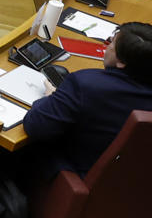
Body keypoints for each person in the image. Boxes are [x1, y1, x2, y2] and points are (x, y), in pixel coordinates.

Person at [16, 22, 152, 182]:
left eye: (112, 44)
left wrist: (53, 97)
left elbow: (34, 125)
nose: (107, 48)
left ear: (121, 62)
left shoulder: (86, 85)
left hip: (75, 182)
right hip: (132, 185)